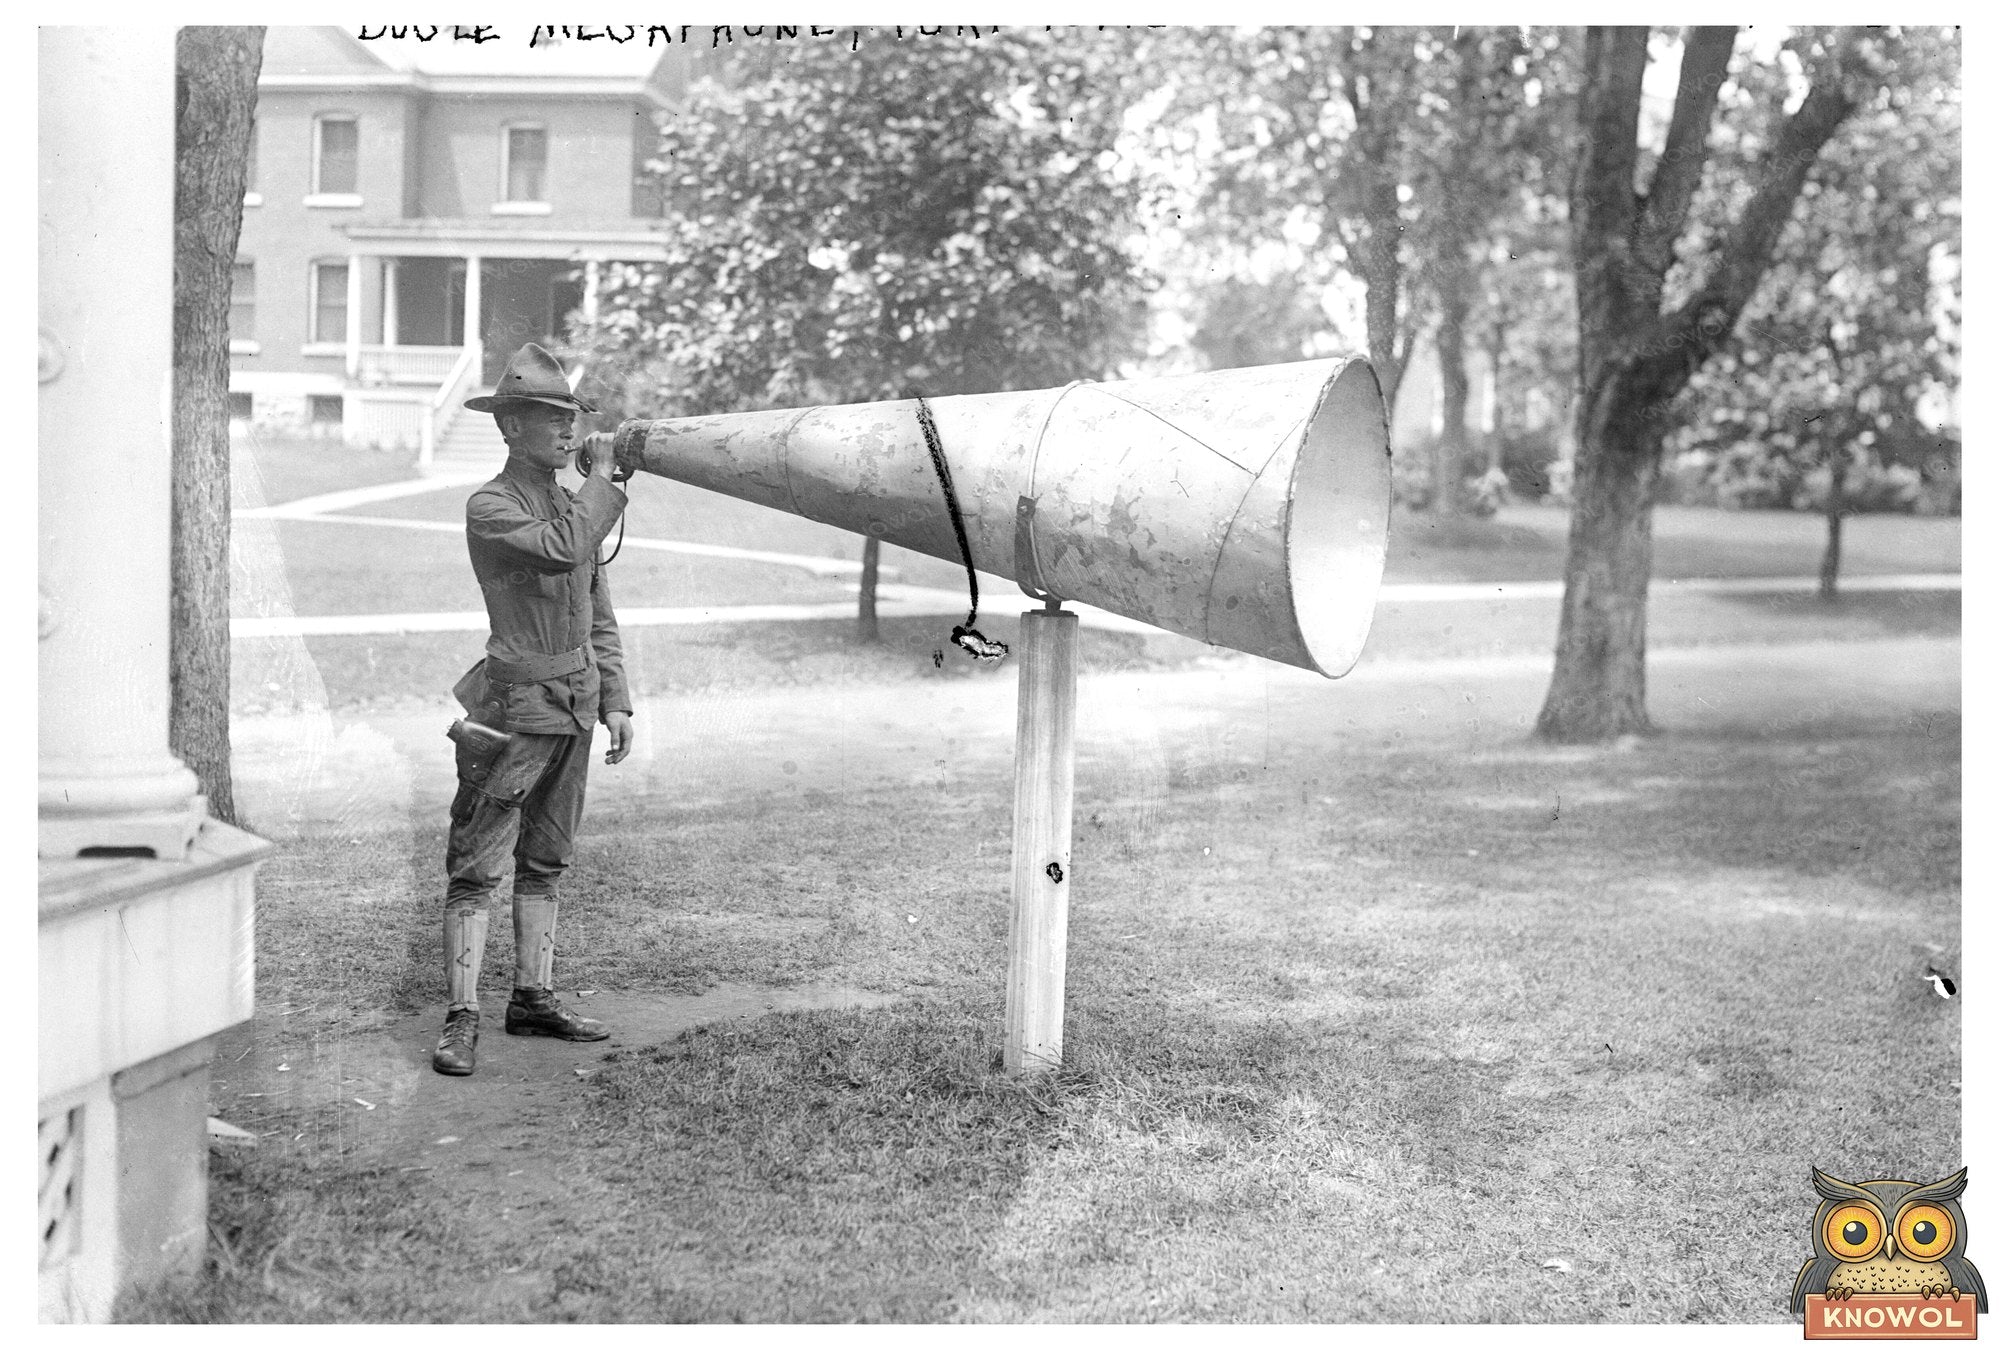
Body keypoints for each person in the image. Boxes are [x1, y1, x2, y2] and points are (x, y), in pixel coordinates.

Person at [433, 343, 634, 1077]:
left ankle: (532, 997)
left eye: (569, 416)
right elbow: (562, 549)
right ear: (509, 428)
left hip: (574, 704)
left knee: (546, 861)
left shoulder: (567, 503)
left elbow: (596, 609)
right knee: (476, 867)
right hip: (512, 709)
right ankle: (462, 1016)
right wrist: (603, 481)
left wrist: (616, 698)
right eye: (548, 419)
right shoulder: (492, 505)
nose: (566, 431)